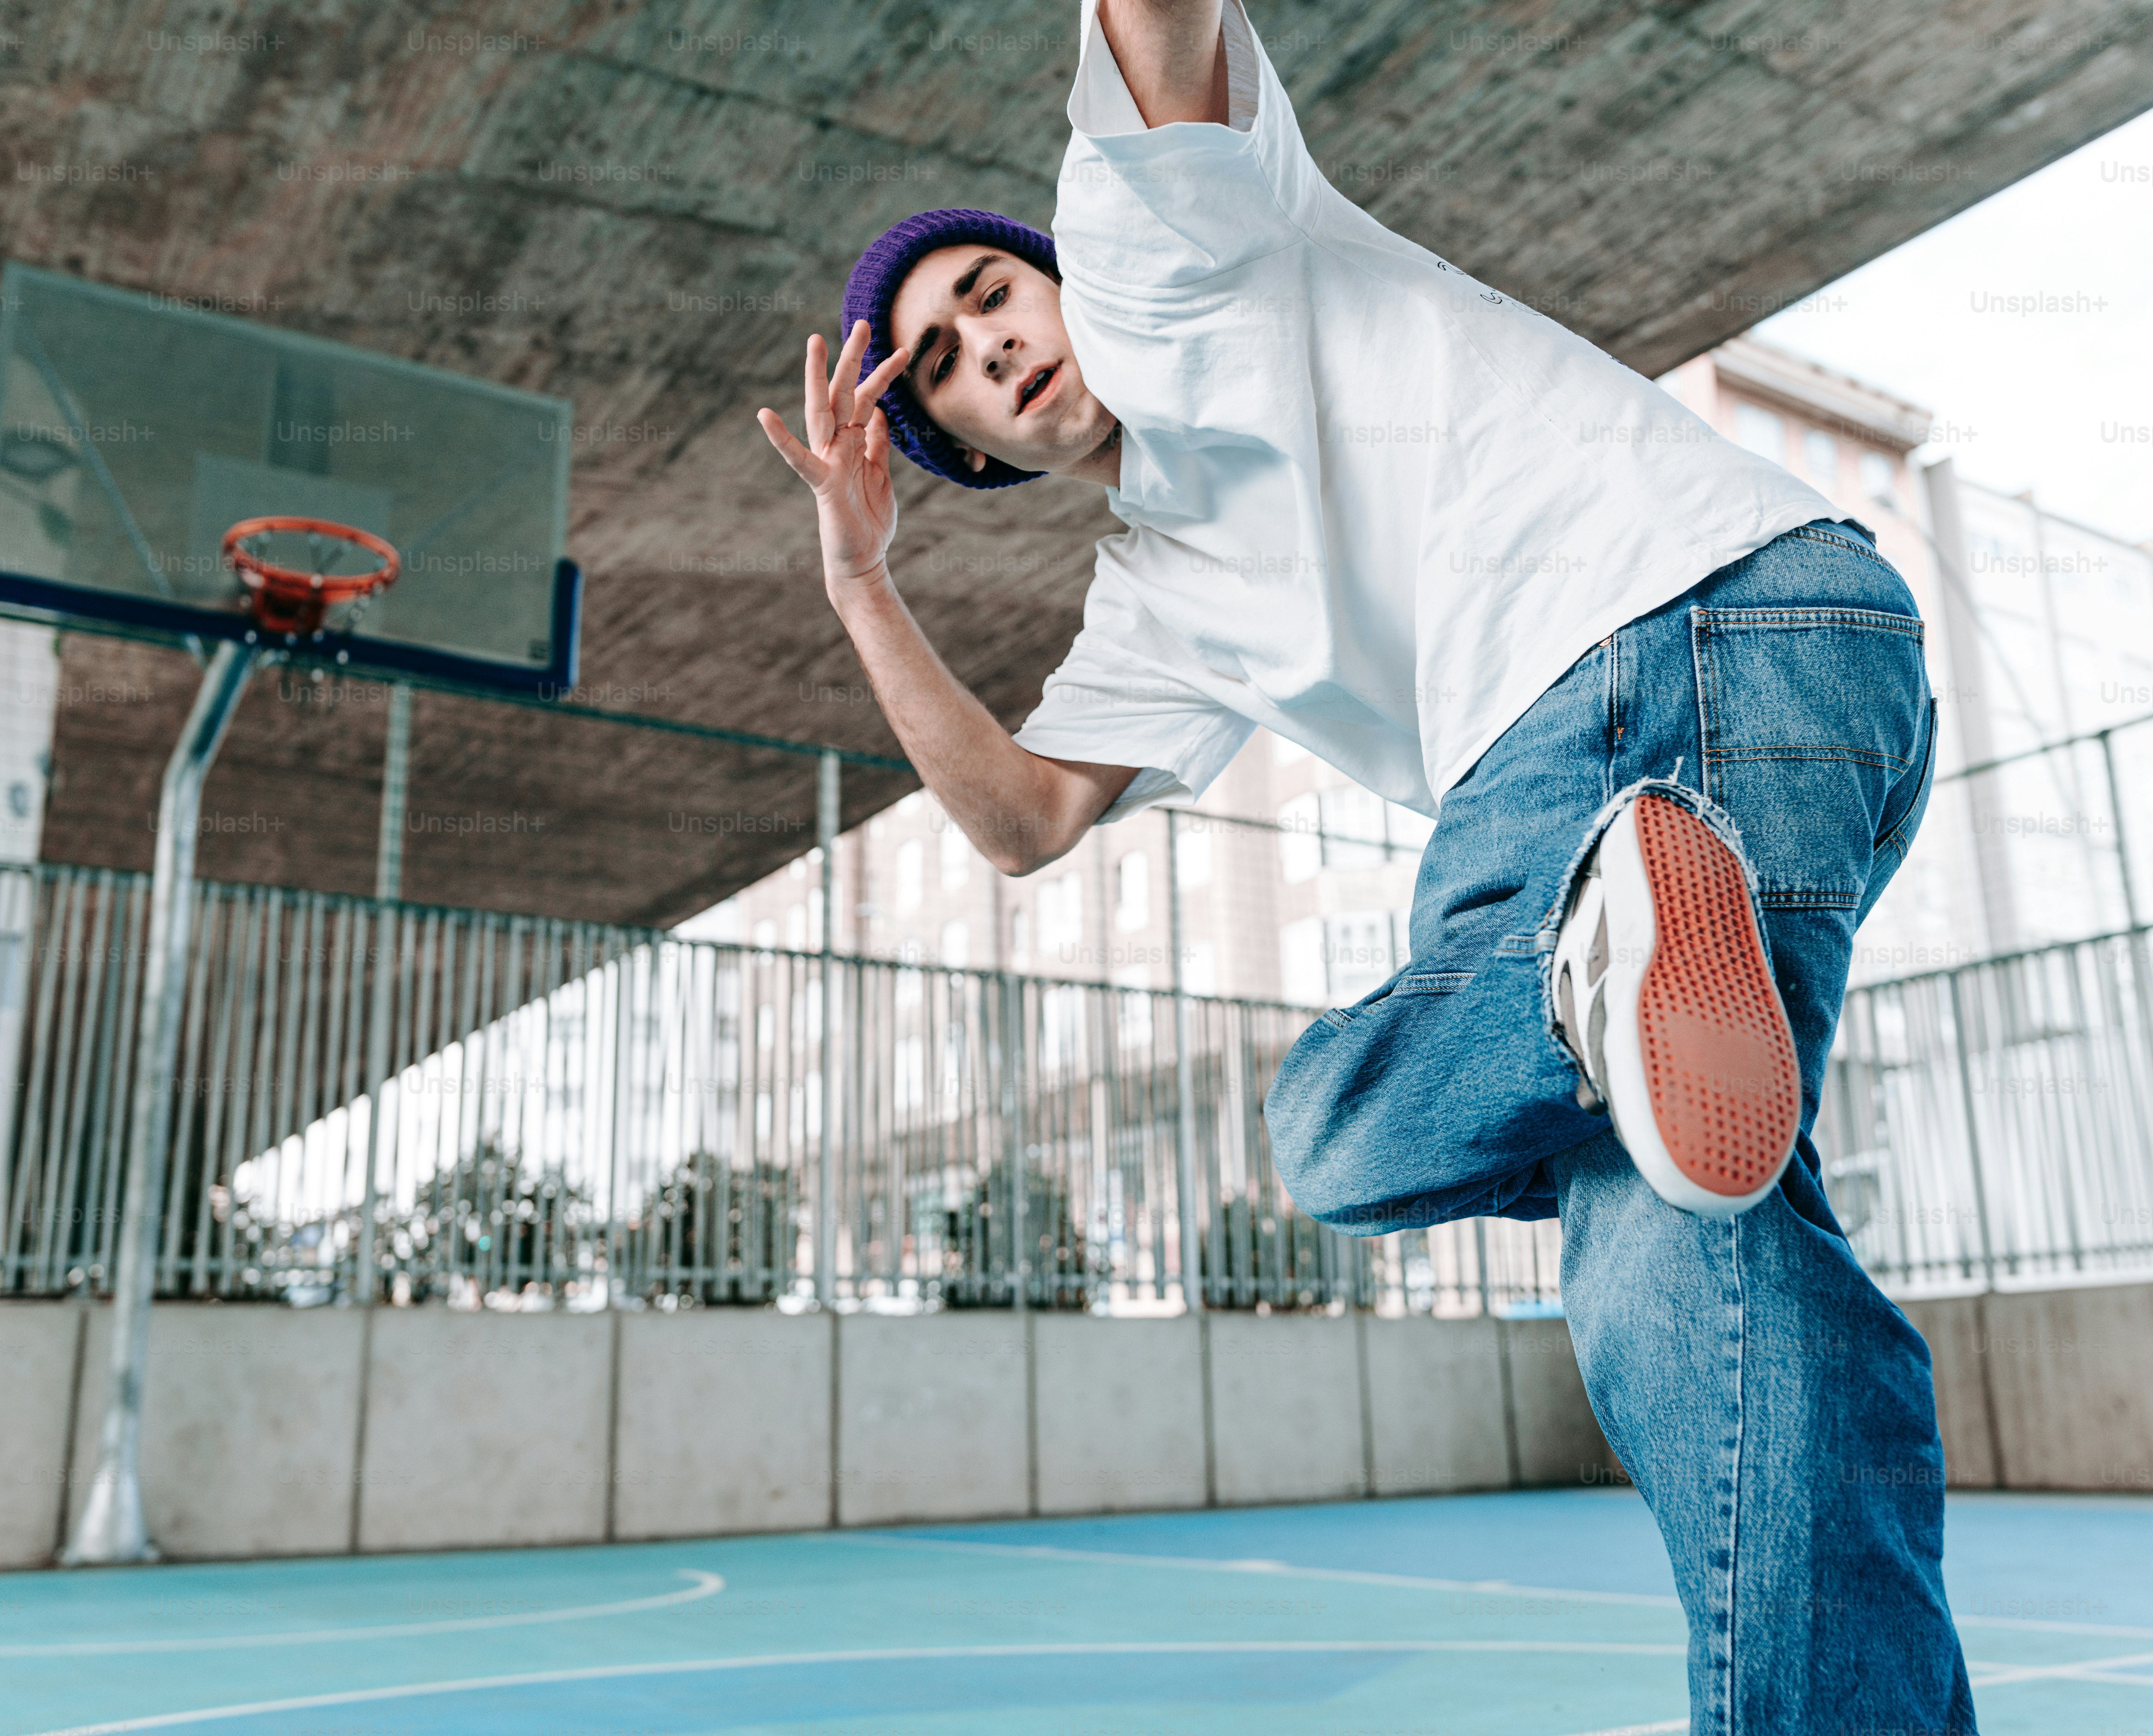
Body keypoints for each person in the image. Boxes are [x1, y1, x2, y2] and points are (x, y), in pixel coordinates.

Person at [758, 2, 1976, 1730]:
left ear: (1055, 267)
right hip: (1813, 673)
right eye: (946, 368)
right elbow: (1023, 821)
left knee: (1344, 1119)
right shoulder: (1150, 608)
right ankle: (1610, 999)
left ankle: (1577, 987)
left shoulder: (1172, 250)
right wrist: (863, 582)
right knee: (1694, 1258)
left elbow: (1155, 36)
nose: (991, 349)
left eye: (989, 296)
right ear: (963, 451)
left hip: (1632, 668)